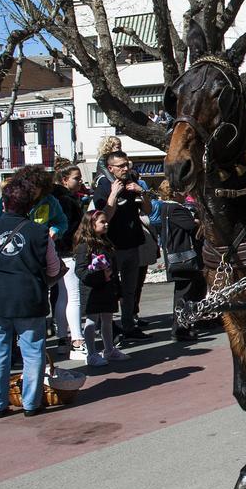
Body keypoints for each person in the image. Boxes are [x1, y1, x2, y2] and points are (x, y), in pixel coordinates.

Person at [0, 179, 61, 418]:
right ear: (30, 206)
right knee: (33, 352)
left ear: (3, 203)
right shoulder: (39, 231)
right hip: (29, 297)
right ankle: (30, 402)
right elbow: (54, 269)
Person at [93, 151, 152, 340]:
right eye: (121, 166)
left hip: (132, 243)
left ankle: (129, 325)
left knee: (130, 289)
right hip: (112, 246)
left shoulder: (132, 181)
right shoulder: (103, 185)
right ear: (111, 168)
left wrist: (141, 193)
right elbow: (104, 216)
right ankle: (108, 329)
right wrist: (113, 194)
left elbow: (148, 210)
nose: (126, 169)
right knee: (110, 289)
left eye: (127, 165)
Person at [74, 210, 128, 365]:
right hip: (92, 290)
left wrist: (118, 290)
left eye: (106, 221)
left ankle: (109, 349)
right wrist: (99, 276)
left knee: (107, 319)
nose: (106, 224)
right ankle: (91, 354)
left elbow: (114, 269)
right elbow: (81, 271)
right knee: (91, 320)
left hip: (107, 288)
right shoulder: (84, 246)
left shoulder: (106, 243)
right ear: (91, 224)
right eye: (102, 222)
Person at [51, 166, 87, 360]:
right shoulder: (66, 200)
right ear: (64, 180)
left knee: (61, 296)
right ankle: (77, 340)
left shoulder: (52, 198)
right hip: (67, 251)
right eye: (76, 178)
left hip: (56, 251)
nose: (80, 181)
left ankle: (62, 338)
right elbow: (71, 227)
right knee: (72, 296)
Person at [160, 189, 204, 341]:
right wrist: (197, 221)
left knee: (186, 293)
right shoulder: (175, 208)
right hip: (184, 258)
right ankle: (180, 329)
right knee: (185, 294)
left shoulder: (165, 207)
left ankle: (185, 326)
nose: (185, 193)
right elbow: (191, 226)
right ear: (173, 193)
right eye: (181, 191)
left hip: (178, 256)